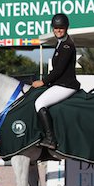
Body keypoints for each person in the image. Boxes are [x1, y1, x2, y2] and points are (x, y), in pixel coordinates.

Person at [31, 13, 80, 150]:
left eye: (61, 28)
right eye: (56, 28)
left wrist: (43, 82)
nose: (58, 30)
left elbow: (58, 70)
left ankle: (50, 139)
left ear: (66, 28)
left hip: (66, 85)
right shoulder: (60, 43)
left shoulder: (67, 46)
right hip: (59, 84)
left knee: (39, 103)